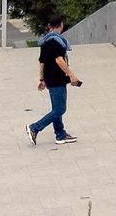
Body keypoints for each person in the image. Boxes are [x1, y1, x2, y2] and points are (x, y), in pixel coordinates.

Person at [27, 14, 81, 145]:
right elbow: (59, 60)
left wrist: (42, 79)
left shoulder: (45, 41)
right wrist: (71, 75)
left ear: (49, 27)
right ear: (61, 25)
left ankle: (60, 134)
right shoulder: (55, 41)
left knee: (56, 108)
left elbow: (42, 62)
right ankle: (34, 128)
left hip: (50, 79)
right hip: (57, 79)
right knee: (60, 109)